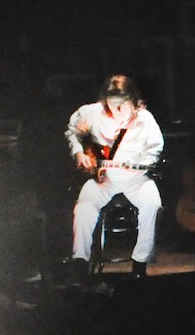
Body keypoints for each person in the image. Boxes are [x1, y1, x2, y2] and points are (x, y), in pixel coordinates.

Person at [65, 74, 163, 271]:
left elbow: (155, 149)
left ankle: (140, 262)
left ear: (133, 101)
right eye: (112, 104)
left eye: (122, 105)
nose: (117, 110)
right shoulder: (91, 113)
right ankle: (80, 262)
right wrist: (79, 154)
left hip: (136, 178)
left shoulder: (145, 119)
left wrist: (140, 164)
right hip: (104, 178)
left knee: (152, 204)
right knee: (84, 207)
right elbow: (72, 132)